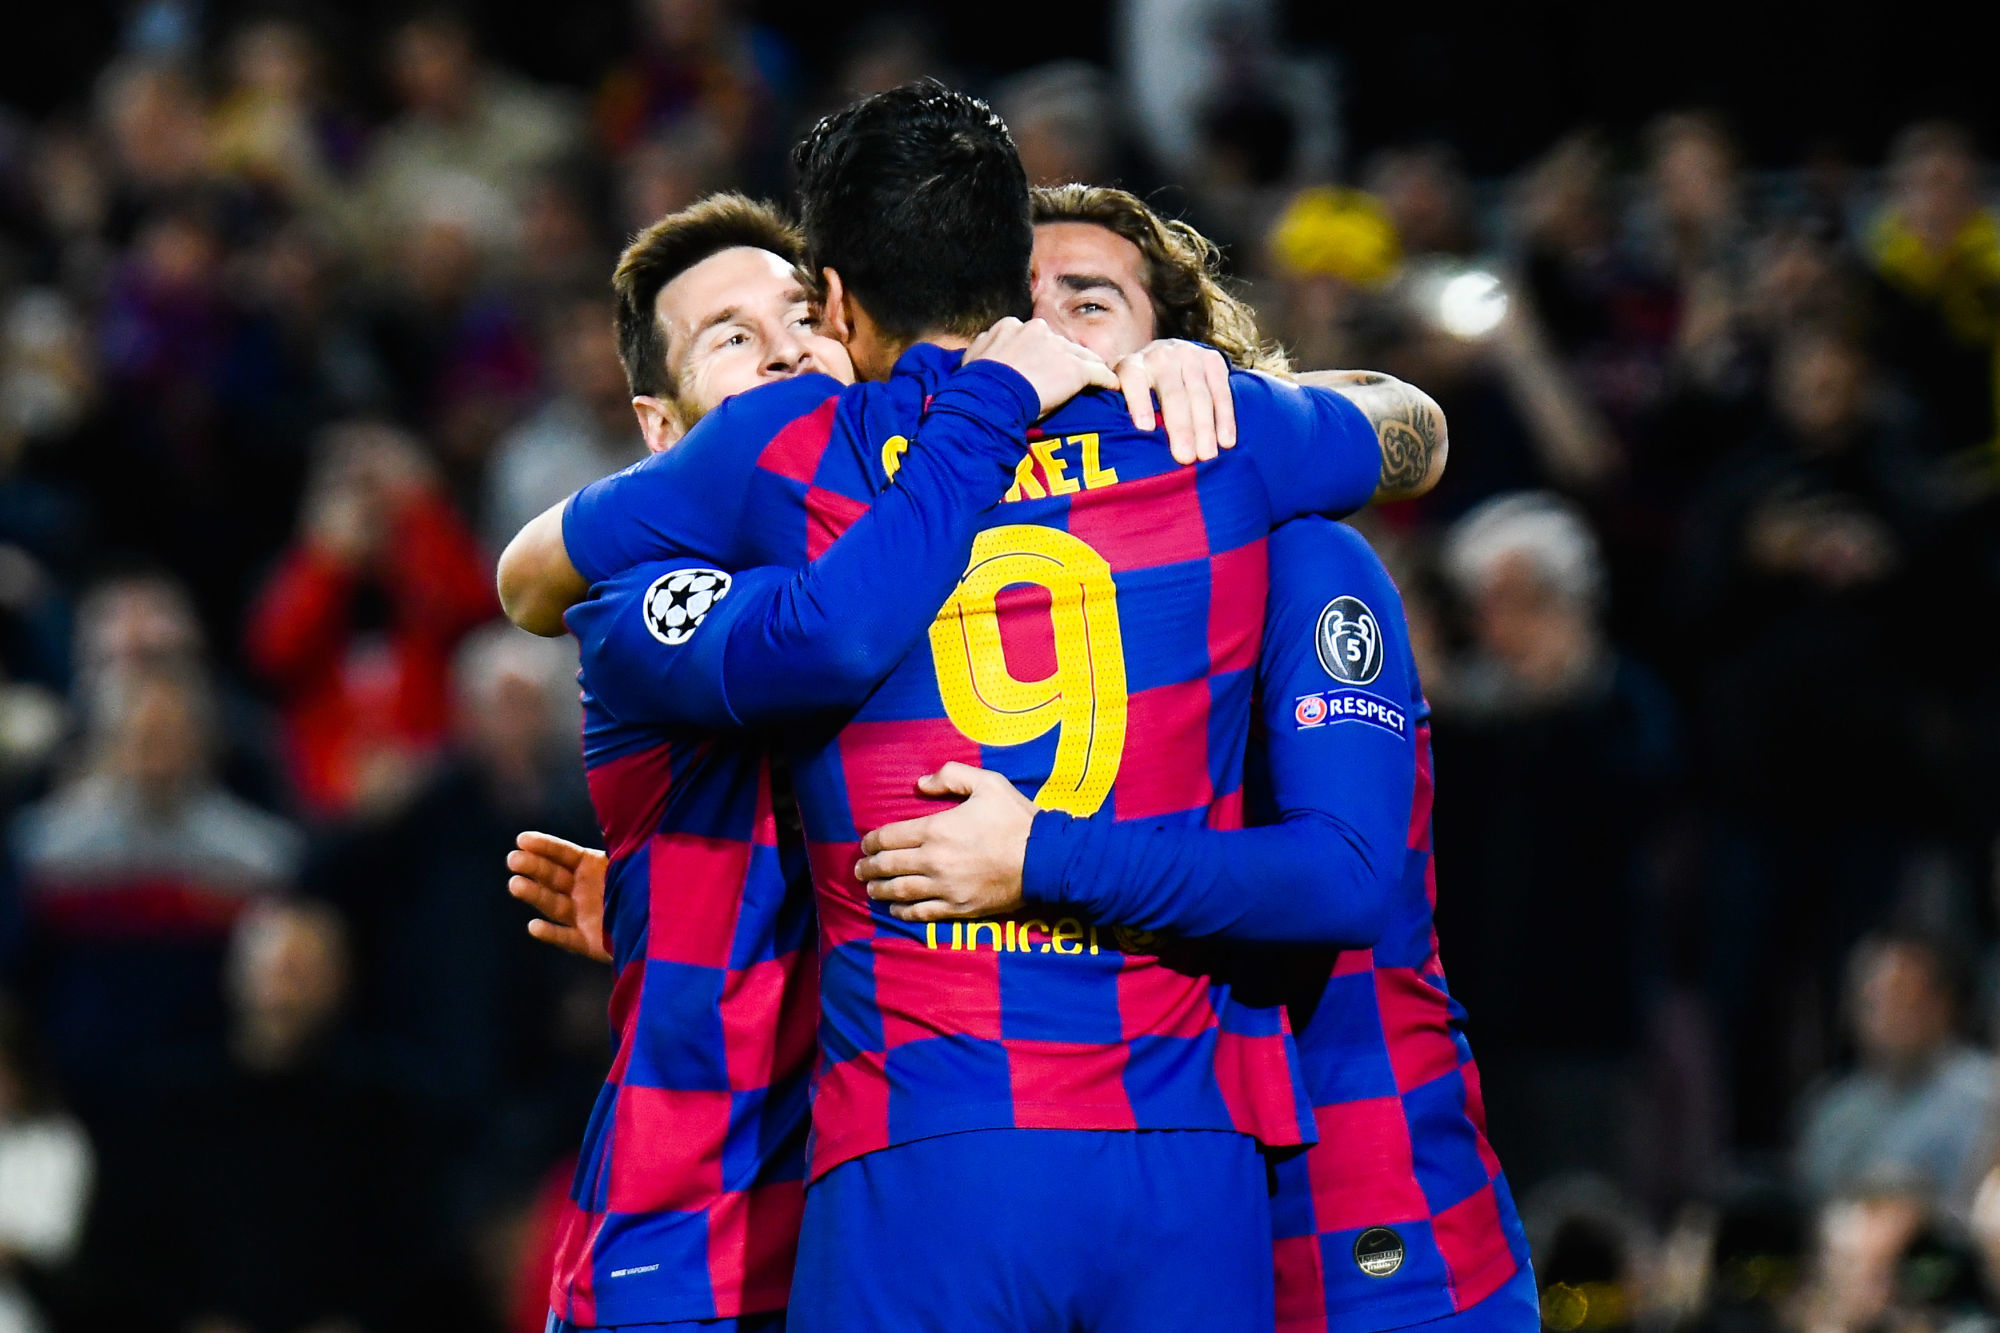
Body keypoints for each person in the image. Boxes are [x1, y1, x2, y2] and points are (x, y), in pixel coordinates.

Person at [502, 80, 1450, 1332]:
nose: (784, 349)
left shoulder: (788, 447)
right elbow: (1413, 434)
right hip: (1185, 1156)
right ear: (1015, 277)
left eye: (790, 312)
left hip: (925, 1144)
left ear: (835, 302)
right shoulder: (1213, 438)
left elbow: (528, 574)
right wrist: (1203, 380)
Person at [1795, 930, 1997, 1222]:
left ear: (1941, 1004)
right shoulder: (1832, 1109)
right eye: (1872, 1000)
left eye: (1900, 997)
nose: (1886, 1015)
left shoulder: (1987, 1095)